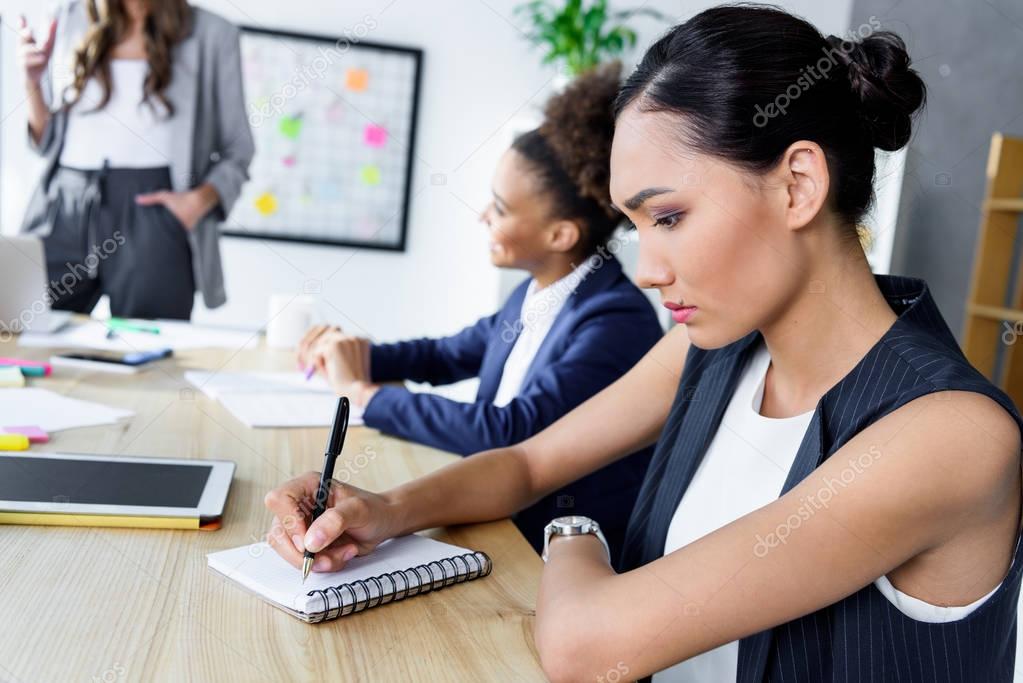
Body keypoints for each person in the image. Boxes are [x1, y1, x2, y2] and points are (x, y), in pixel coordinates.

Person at [267, 5, 1023, 680]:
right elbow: (530, 460)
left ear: (796, 185)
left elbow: (584, 646)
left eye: (667, 218)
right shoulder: (718, 348)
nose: (649, 271)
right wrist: (383, 508)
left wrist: (573, 531)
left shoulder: (948, 435)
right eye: (633, 227)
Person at [296, 63, 663, 560]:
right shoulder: (535, 293)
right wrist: (353, 353)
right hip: (498, 524)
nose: (482, 217)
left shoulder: (615, 320)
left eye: (501, 208)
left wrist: (361, 392)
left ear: (561, 235)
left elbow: (510, 431)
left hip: (550, 550)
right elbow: (443, 355)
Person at [18, 0, 254, 320]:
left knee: (149, 355)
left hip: (154, 212)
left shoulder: (213, 33)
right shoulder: (69, 16)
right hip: (64, 206)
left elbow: (238, 149)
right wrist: (32, 82)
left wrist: (195, 203)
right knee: (21, 337)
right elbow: (45, 143)